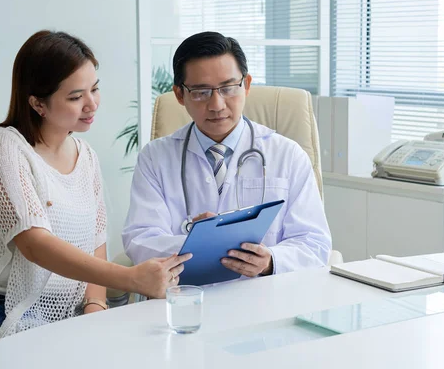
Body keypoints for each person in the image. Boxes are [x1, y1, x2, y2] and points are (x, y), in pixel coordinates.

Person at [0, 30, 191, 353]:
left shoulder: (86, 157)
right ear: (38, 102)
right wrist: (132, 279)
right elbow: (35, 244)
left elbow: (96, 243)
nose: (92, 104)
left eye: (95, 89)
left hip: (65, 310)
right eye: (75, 96)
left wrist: (95, 305)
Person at [122, 31, 331, 278]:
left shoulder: (287, 154)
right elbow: (140, 239)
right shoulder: (155, 157)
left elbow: (315, 244)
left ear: (247, 85)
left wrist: (270, 261)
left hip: (264, 297)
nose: (217, 105)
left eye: (228, 88)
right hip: (186, 297)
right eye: (201, 92)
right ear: (180, 94)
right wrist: (202, 242)